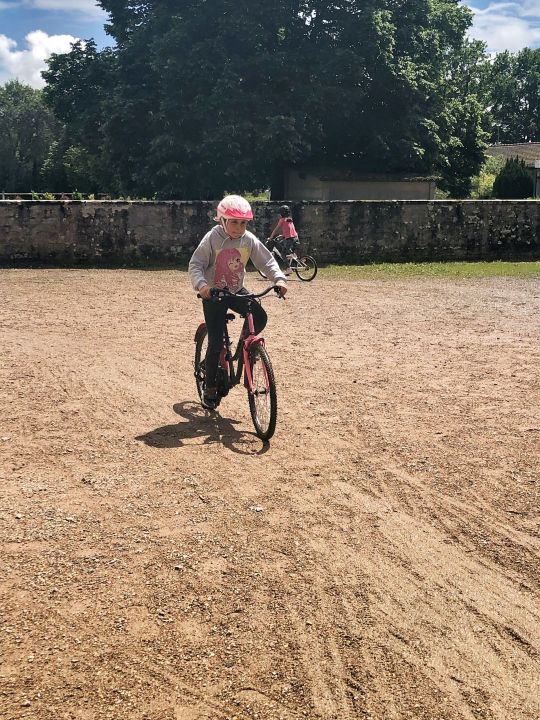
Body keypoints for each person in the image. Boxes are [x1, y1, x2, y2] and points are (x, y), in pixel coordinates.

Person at [189, 194, 288, 410]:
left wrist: (279, 279)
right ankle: (210, 388)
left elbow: (266, 261)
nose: (239, 228)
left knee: (259, 316)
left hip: (235, 290)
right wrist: (202, 286)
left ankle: (246, 346)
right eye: (234, 222)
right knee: (216, 342)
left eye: (243, 223)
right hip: (214, 293)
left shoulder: (248, 239)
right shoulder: (212, 238)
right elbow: (196, 264)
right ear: (222, 220)